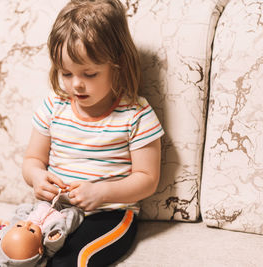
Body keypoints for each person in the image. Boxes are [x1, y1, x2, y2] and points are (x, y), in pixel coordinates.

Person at [22, 0, 164, 266]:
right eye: (66, 73)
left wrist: (102, 193)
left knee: (71, 260)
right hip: (57, 210)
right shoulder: (54, 105)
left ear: (117, 64)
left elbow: (147, 179)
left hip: (109, 214)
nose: (76, 84)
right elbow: (32, 160)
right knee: (18, 251)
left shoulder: (136, 114)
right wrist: (37, 177)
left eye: (89, 73)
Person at [0, 191, 84, 267]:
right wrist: (54, 237)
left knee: (41, 204)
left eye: (19, 226)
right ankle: (74, 210)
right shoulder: (46, 242)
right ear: (40, 249)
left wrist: (24, 211)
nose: (27, 224)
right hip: (61, 214)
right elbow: (53, 246)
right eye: (31, 230)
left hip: (45, 204)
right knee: (72, 217)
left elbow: (19, 215)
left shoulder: (20, 224)